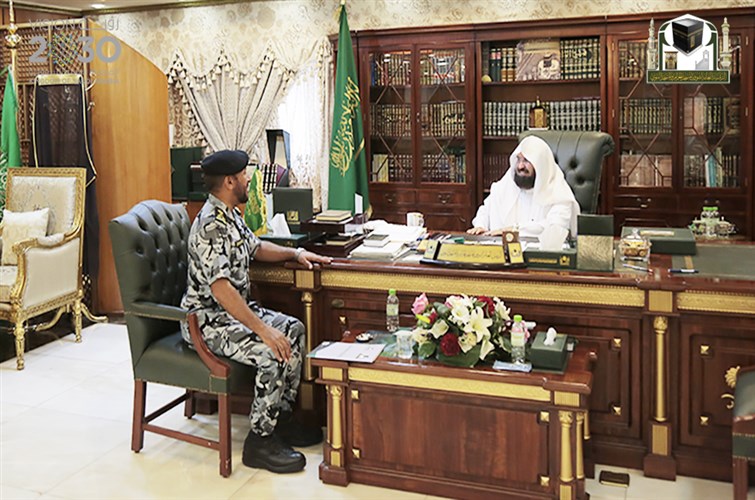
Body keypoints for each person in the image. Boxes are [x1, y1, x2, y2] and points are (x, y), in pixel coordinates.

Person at [180, 149, 332, 474]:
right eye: (244, 174)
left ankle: (280, 419)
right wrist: (264, 330)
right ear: (229, 181)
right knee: (270, 349)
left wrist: (296, 253)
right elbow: (221, 290)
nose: (248, 179)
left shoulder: (229, 214)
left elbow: (256, 247)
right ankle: (259, 441)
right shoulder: (209, 225)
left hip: (232, 315)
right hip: (208, 322)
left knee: (293, 330)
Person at [468, 135, 579, 240]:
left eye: (526, 160)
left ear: (540, 164)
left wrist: (514, 230)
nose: (520, 166)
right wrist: (480, 226)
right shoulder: (508, 183)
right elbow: (486, 209)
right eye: (518, 159)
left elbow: (555, 228)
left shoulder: (559, 194)